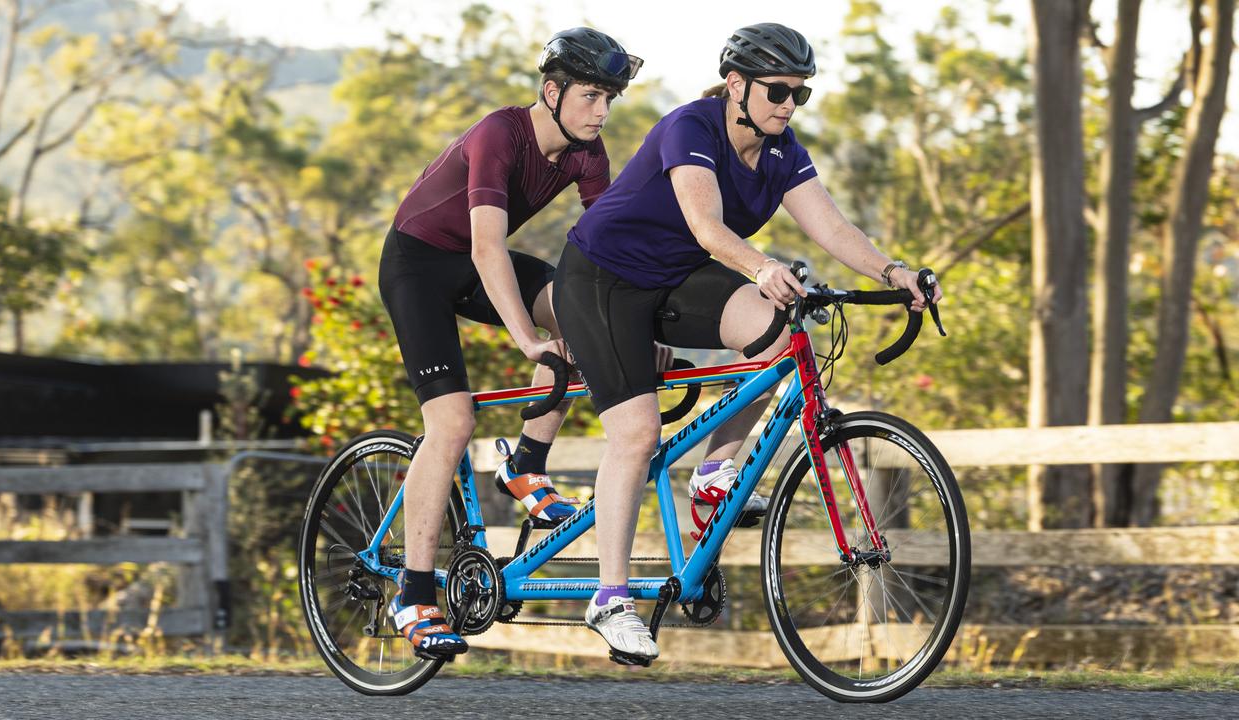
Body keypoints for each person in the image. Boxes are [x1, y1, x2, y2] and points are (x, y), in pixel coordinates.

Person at [552, 22, 942, 664]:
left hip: (675, 280)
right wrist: (761, 266)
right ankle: (610, 598)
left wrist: (895, 273)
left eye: (800, 94)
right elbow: (706, 226)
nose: (789, 105)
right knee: (637, 434)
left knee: (778, 335)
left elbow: (832, 227)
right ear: (736, 84)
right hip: (603, 281)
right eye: (778, 91)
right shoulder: (691, 127)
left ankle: (714, 469)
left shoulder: (784, 151)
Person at [377, 27, 643, 658]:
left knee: (584, 320)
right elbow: (486, 247)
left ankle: (524, 465)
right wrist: (527, 338)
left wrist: (637, 331)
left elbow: (607, 259)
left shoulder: (588, 152)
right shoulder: (502, 132)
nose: (602, 111)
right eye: (591, 96)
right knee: (452, 421)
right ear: (551, 92)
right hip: (419, 265)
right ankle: (413, 594)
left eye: (610, 98)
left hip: (473, 264)